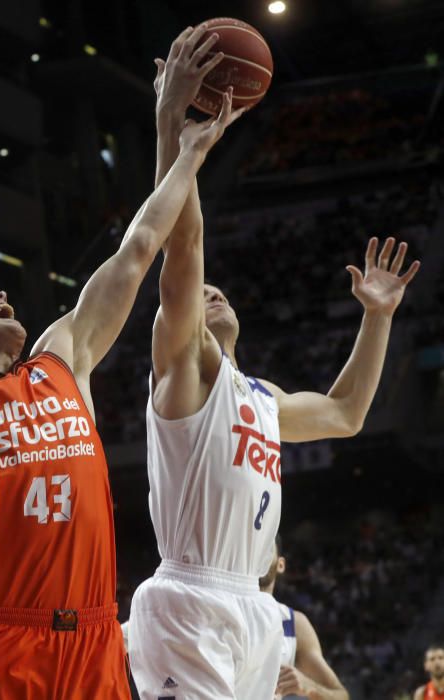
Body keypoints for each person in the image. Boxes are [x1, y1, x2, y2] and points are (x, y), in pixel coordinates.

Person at [0, 96, 244, 700]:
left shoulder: (61, 359)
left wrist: (186, 151)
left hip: (95, 643)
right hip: (4, 647)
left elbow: (140, 245)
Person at [127, 25, 421, 700]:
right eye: (199, 293)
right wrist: (173, 127)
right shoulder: (185, 371)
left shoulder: (262, 397)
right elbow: (182, 243)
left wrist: (377, 319)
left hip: (255, 609)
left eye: (218, 287)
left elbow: (347, 415)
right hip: (191, 593)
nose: (211, 289)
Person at [259, 536, 349, 699]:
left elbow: (341, 695)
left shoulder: (294, 624)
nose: (259, 552)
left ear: (281, 565)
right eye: (255, 546)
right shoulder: (219, 609)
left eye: (266, 546)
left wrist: (309, 686)